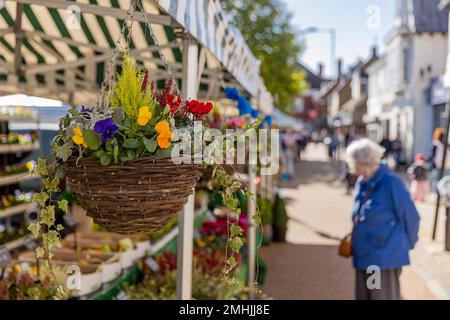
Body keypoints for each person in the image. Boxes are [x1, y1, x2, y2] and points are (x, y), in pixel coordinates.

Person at [345, 139, 420, 300]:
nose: (352, 167)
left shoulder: (391, 183)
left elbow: (411, 217)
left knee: (378, 295)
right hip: (363, 255)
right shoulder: (362, 183)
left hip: (379, 258)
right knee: (365, 296)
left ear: (365, 162)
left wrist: (406, 244)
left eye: (354, 163)